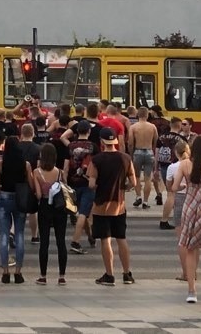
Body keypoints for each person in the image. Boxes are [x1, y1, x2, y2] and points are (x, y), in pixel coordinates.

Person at [88, 128, 137, 287]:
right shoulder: (126, 158)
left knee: (105, 240)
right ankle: (127, 273)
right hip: (120, 205)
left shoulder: (96, 160)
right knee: (121, 239)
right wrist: (124, 187)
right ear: (115, 141)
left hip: (101, 206)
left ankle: (109, 275)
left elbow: (91, 184)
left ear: (102, 142)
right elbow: (134, 183)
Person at [173, 135, 201, 303]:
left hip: (190, 207)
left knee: (190, 248)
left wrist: (184, 185)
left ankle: (191, 291)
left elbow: (174, 187)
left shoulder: (184, 165)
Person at [0, 136, 33, 284]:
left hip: (4, 198)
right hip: (20, 199)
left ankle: (5, 272)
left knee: (4, 234)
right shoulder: (26, 164)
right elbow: (30, 183)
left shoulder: (0, 164)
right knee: (20, 234)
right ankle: (18, 272)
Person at [33, 143, 68, 285]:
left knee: (44, 242)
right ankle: (61, 276)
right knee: (61, 242)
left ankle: (43, 276)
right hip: (59, 209)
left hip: (45, 208)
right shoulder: (60, 172)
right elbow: (65, 189)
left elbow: (39, 195)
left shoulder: (36, 172)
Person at [67, 120, 97, 255]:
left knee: (82, 212)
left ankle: (90, 236)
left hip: (73, 182)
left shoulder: (71, 146)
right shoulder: (93, 146)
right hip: (87, 183)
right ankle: (76, 241)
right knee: (83, 213)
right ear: (89, 132)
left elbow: (66, 165)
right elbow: (96, 165)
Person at [158, 118, 188, 229]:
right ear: (179, 125)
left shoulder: (162, 136)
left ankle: (165, 219)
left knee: (169, 193)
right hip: (176, 164)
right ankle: (166, 220)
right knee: (173, 194)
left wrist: (156, 168)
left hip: (164, 165)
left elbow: (156, 152)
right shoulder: (181, 138)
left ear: (170, 124)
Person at [166, 141, 190, 281]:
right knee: (193, 241)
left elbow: (170, 187)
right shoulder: (195, 165)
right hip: (196, 199)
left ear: (175, 152)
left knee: (182, 240)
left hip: (180, 200)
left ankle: (186, 274)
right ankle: (194, 271)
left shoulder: (172, 167)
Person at [128, 107, 158, 210]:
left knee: (136, 177)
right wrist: (152, 149)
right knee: (148, 178)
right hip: (149, 151)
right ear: (147, 115)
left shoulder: (133, 127)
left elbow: (131, 143)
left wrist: (131, 155)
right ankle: (145, 202)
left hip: (138, 152)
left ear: (138, 115)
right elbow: (155, 140)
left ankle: (138, 196)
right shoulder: (152, 127)